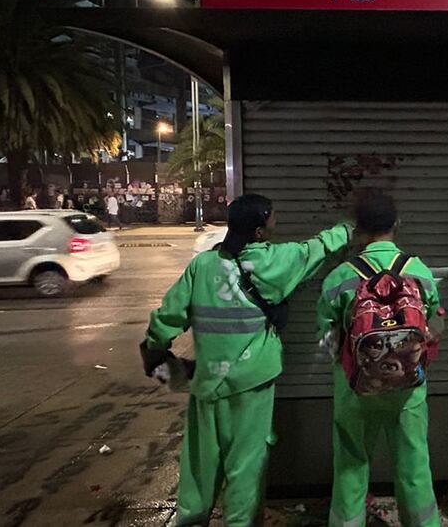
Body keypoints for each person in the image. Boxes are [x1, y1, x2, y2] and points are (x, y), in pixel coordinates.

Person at [141, 193, 353, 527]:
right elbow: (319, 247)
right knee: (245, 462)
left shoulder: (202, 265)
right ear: (258, 231)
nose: (275, 222)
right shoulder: (275, 261)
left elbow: (168, 316)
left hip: (207, 381)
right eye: (272, 218)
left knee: (200, 462)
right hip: (251, 383)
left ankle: (190, 520)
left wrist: (154, 347)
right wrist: (351, 225)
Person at [317, 193, 442, 527]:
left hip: (354, 390)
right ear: (396, 225)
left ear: (358, 229)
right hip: (408, 389)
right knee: (414, 464)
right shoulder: (420, 272)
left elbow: (327, 338)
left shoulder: (339, 277)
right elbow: (435, 327)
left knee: (351, 465)